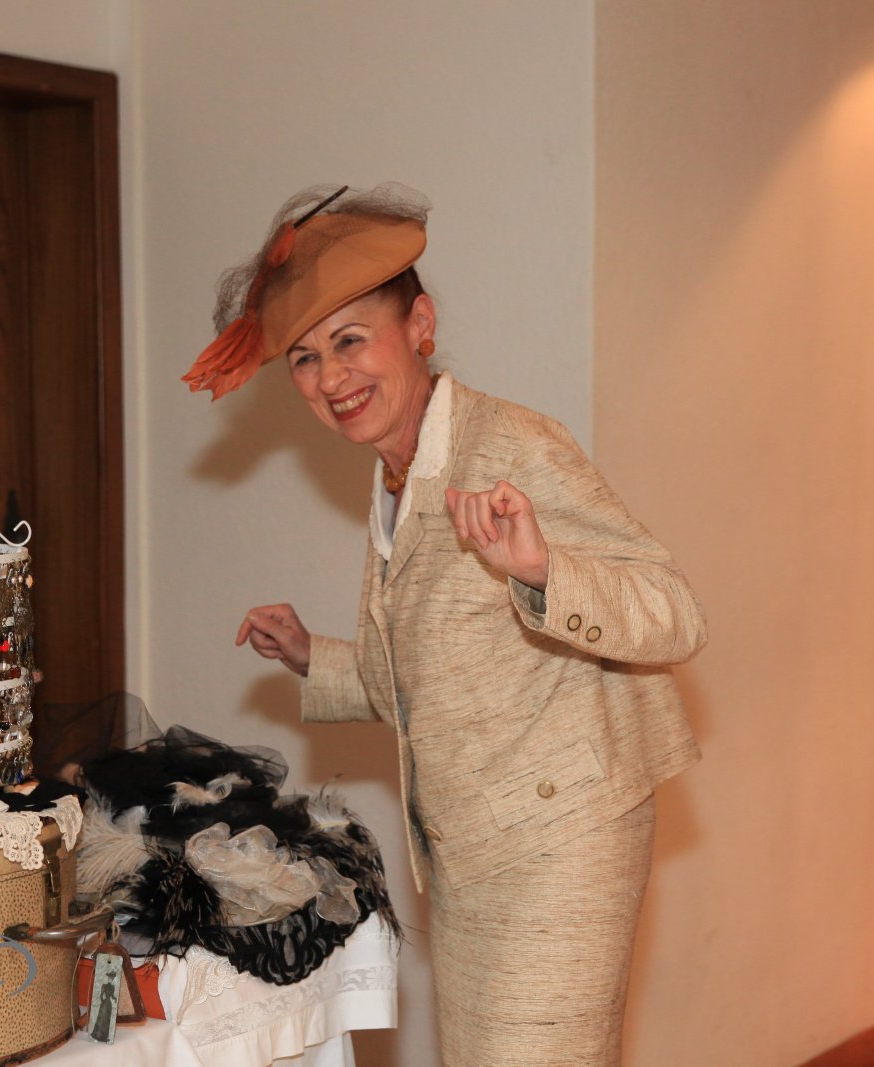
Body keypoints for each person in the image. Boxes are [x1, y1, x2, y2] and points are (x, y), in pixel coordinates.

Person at [185, 183, 707, 1066]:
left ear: (419, 325)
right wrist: (311, 656)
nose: (331, 378)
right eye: (305, 358)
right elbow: (433, 678)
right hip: (470, 848)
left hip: (562, 839)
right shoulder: (400, 473)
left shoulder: (513, 447)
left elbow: (675, 612)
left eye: (351, 340)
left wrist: (543, 570)